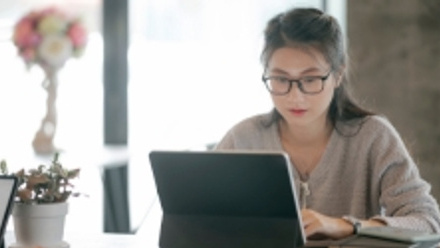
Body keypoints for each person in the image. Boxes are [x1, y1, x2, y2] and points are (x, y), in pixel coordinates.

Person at [215, 7, 440, 240]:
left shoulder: (373, 137)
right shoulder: (242, 139)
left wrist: (347, 226)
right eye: (281, 79)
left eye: (310, 79)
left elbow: (427, 221)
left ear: (338, 75)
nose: (295, 96)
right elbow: (198, 219)